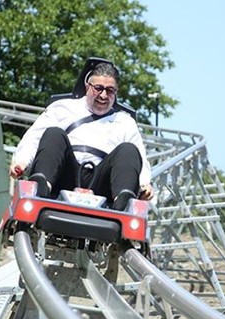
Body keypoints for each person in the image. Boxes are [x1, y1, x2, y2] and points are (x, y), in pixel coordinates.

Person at [9, 62, 153, 211]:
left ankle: (123, 200)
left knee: (128, 149)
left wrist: (144, 184)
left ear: (116, 92)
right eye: (98, 88)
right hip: (64, 175)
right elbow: (34, 137)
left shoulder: (125, 122)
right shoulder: (62, 108)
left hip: (103, 182)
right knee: (54, 133)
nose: (103, 95)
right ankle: (41, 186)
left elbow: (140, 157)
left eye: (110, 91)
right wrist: (22, 162)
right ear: (87, 86)